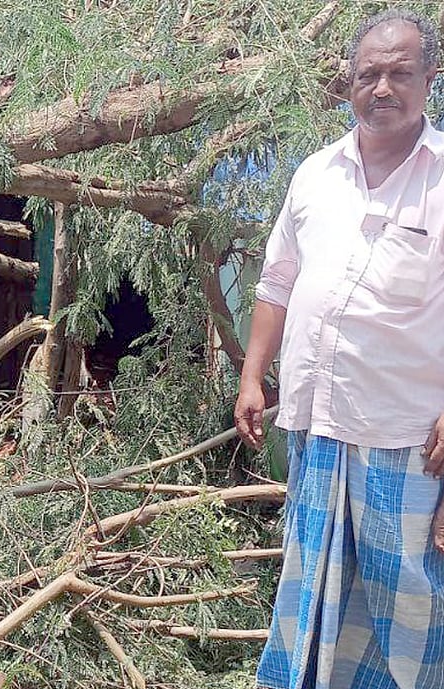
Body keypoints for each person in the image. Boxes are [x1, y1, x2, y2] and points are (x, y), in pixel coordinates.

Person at [235, 10, 444, 688]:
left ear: (431, 79)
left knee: (410, 613)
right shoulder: (314, 175)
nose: (383, 87)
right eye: (370, 74)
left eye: (401, 73)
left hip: (408, 440)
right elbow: (276, 282)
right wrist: (251, 375)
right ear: (348, 82)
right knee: (315, 608)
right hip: (318, 430)